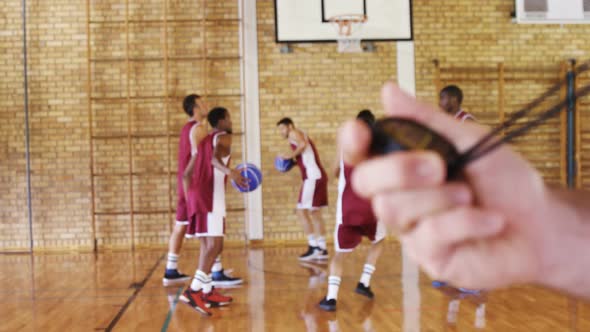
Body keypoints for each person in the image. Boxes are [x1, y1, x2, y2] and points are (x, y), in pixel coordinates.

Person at [338, 81, 590, 299]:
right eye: (440, 98)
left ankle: (476, 285)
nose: (442, 102)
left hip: (458, 180)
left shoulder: (467, 122)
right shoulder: (445, 123)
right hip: (450, 185)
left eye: (446, 98)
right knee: (454, 225)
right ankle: (457, 277)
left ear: (457, 99)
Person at [179, 107, 247, 315]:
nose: (231, 121)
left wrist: (189, 197)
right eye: (229, 117)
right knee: (215, 244)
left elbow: (186, 174)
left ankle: (207, 291)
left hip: (197, 194)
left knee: (209, 244)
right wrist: (231, 173)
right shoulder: (225, 137)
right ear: (223, 121)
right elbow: (214, 160)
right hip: (210, 195)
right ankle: (193, 291)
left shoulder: (205, 141)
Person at [318, 110, 386, 312]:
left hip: (348, 208)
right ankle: (364, 282)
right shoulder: (379, 149)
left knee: (339, 255)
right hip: (372, 208)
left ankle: (331, 298)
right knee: (379, 240)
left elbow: (335, 172)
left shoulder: (346, 147)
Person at [162, 94, 208, 287]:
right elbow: (200, 157)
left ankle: (171, 269)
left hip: (185, 185)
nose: (206, 105)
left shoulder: (186, 129)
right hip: (194, 185)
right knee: (208, 231)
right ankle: (214, 272)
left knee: (180, 226)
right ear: (195, 108)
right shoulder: (198, 129)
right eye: (203, 102)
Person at [276, 118, 329, 261]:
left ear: (290, 126)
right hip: (318, 175)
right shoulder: (299, 134)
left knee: (301, 211)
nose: (281, 132)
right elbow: (305, 155)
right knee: (315, 212)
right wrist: (292, 163)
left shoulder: (294, 133)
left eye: (282, 128)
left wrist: (289, 155)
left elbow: (303, 145)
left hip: (312, 177)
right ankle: (322, 248)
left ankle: (314, 246)